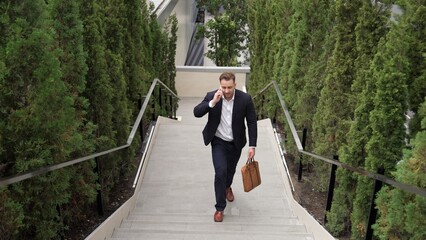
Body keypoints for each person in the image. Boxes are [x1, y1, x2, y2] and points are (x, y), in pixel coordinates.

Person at [193, 72, 258, 222]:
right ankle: (219, 208)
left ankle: (228, 186)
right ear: (220, 86)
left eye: (229, 87)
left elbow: (252, 122)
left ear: (235, 85)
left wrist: (252, 145)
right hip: (218, 141)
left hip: (236, 142)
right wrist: (212, 103)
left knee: (230, 171)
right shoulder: (212, 96)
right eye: (224, 87)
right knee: (220, 171)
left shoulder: (245, 99)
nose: (227, 91)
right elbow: (196, 112)